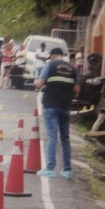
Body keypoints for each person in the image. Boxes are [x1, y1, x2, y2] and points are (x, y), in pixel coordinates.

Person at [34, 47, 80, 179]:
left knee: (53, 136)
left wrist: (37, 83)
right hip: (65, 107)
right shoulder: (73, 68)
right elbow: (77, 90)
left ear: (53, 56)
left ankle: (50, 168)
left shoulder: (50, 65)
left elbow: (39, 83)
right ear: (63, 55)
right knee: (65, 138)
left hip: (51, 105)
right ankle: (66, 170)